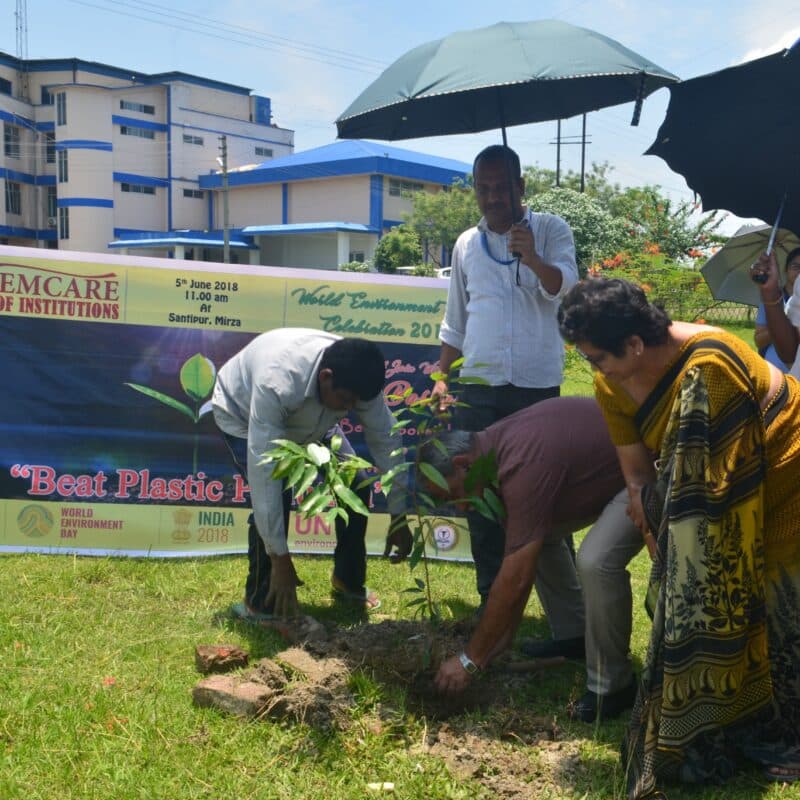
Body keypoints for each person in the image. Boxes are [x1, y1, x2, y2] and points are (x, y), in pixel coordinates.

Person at [558, 278, 800, 794]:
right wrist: (660, 550)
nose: (593, 369)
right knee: (702, 593)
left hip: (786, 478)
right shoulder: (610, 382)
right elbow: (639, 478)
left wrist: (689, 566)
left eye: (599, 357)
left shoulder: (708, 368)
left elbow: (716, 497)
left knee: (781, 607)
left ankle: (788, 736)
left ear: (636, 345)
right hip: (704, 492)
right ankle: (733, 716)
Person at [420, 397, 641, 723]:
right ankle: (573, 637)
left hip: (644, 472)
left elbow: (516, 574)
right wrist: (503, 637)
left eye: (454, 495)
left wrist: (470, 659)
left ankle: (614, 684)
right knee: (539, 537)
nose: (461, 508)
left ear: (462, 463)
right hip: (608, 470)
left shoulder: (519, 465)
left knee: (596, 560)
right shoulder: (492, 451)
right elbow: (523, 554)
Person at [433, 144, 579, 609]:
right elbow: (456, 319)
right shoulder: (465, 244)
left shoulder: (552, 229)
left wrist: (533, 257)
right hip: (477, 387)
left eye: (502, 187)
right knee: (479, 496)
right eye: (484, 188)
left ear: (521, 187)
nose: (493, 197)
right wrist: (441, 376)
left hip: (535, 390)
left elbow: (569, 292)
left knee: (545, 496)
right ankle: (491, 603)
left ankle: (566, 614)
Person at [212, 329, 412, 619]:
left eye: (356, 404)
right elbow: (264, 476)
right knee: (276, 495)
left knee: (355, 484)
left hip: (316, 424)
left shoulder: (356, 379)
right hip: (242, 415)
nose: (350, 410)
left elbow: (386, 440)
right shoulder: (277, 381)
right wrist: (281, 560)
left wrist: (399, 514)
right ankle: (259, 603)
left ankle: (347, 580)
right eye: (345, 401)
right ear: (325, 377)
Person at [753, 246, 800, 376]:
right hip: (775, 371)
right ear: (785, 270)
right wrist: (781, 321)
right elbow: (758, 340)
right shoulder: (769, 301)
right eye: (795, 267)